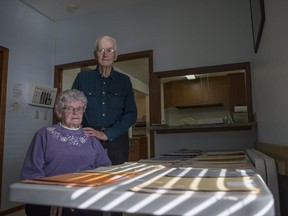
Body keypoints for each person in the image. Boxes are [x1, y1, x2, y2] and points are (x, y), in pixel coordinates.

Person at [20, 89, 111, 216]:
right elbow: (31, 173)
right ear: (58, 112)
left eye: (79, 108)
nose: (75, 112)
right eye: (70, 108)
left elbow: (105, 168)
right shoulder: (44, 134)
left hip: (84, 192)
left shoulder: (91, 137)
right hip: (51, 193)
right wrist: (55, 196)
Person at [72, 35, 138, 166]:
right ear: (95, 54)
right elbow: (72, 108)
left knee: (117, 179)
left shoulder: (124, 81)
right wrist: (76, 133)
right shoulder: (82, 77)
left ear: (116, 55)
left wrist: (108, 134)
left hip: (117, 140)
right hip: (88, 138)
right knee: (87, 177)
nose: (105, 54)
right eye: (101, 50)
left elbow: (131, 114)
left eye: (110, 50)